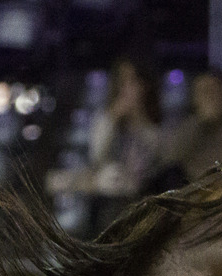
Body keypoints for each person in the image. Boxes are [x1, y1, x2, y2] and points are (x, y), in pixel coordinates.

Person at [46, 57, 161, 229]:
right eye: (122, 82)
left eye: (132, 81)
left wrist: (137, 118)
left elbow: (155, 156)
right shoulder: (105, 118)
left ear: (143, 85)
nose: (126, 88)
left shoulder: (153, 126)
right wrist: (113, 117)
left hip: (140, 197)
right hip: (105, 198)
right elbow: (97, 156)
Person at [159, 71, 222, 186]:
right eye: (205, 92)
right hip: (196, 189)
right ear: (194, 98)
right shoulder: (186, 128)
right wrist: (201, 121)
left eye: (215, 91)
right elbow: (170, 158)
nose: (211, 97)